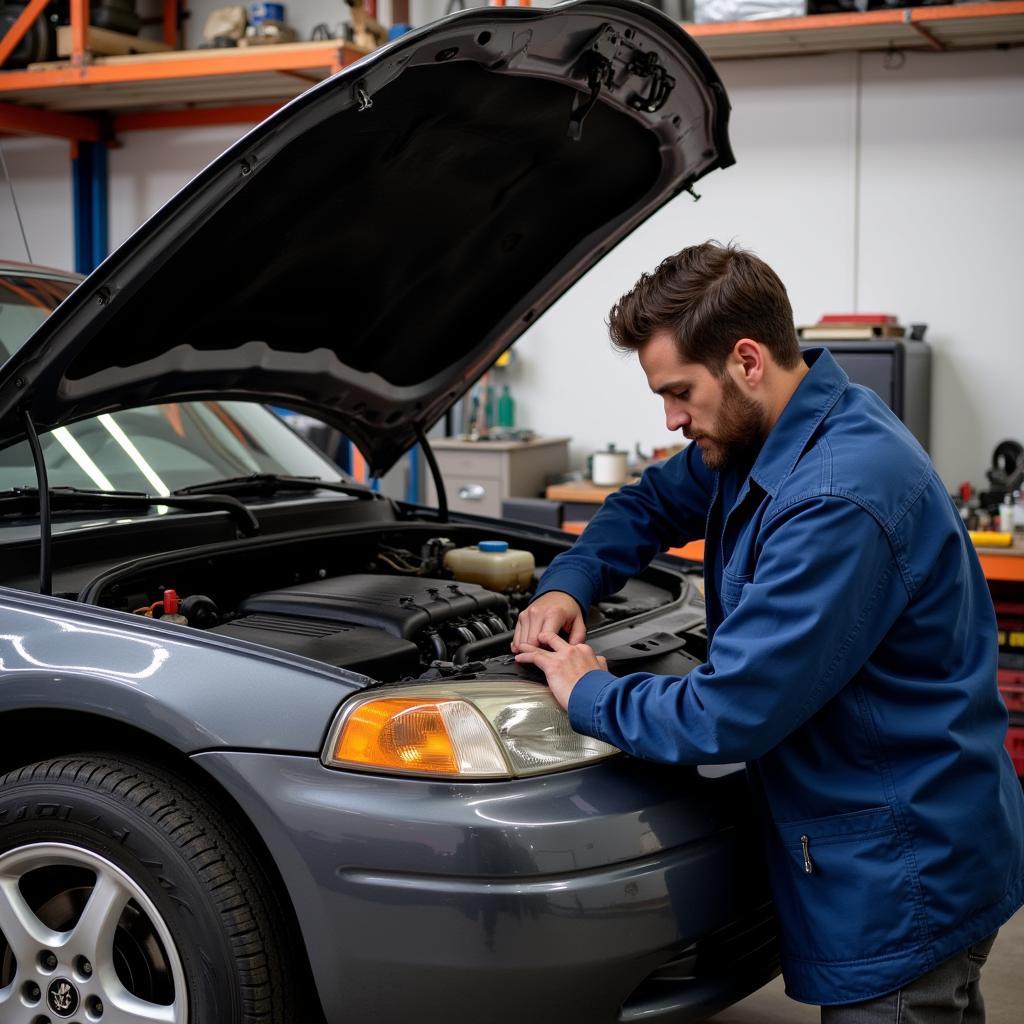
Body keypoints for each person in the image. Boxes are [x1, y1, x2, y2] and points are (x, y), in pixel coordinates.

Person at [511, 241, 1024, 1021]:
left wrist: (590, 691)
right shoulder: (782, 428)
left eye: (680, 392)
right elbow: (647, 503)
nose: (672, 418)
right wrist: (569, 583)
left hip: (901, 871)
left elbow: (727, 711)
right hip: (910, 829)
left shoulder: (836, 499)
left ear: (747, 361)